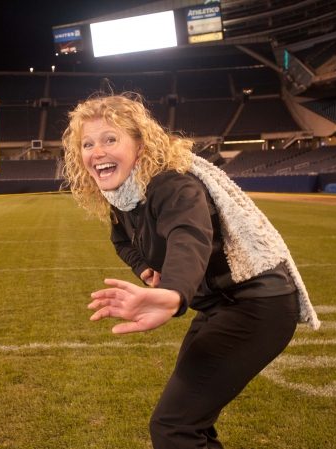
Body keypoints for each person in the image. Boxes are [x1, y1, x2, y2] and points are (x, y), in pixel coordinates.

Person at [61, 92, 320, 449]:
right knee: (187, 423)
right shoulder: (123, 197)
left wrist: (173, 291)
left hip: (258, 305)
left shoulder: (172, 184)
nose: (97, 151)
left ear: (139, 144)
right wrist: (146, 269)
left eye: (110, 139)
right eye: (87, 143)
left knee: (174, 427)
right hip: (222, 306)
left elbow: (189, 234)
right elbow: (121, 239)